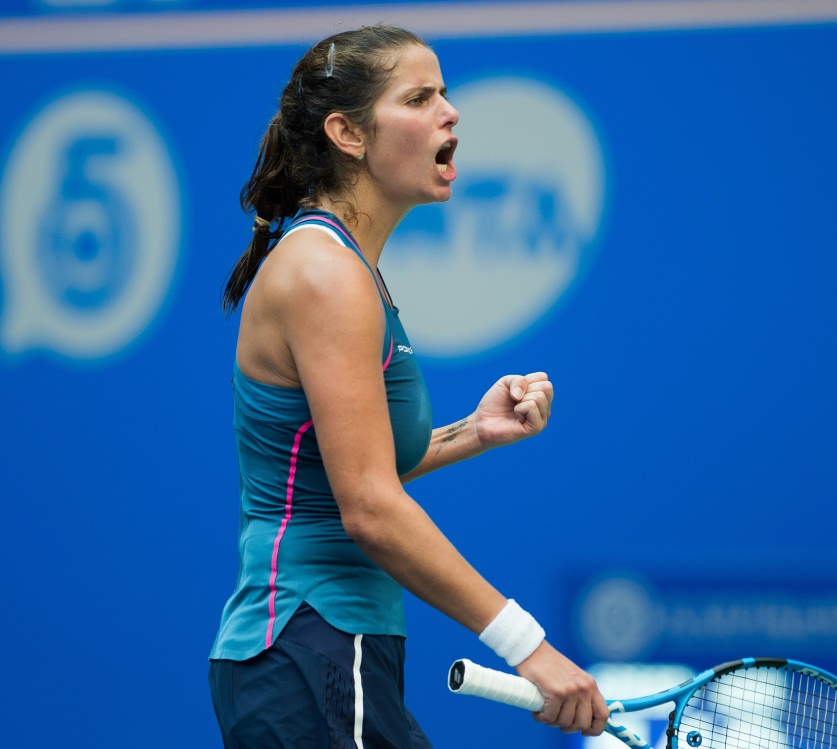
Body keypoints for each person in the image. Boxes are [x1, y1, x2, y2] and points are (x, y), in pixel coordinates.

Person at [208, 25, 608, 748]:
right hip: (311, 642)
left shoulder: (343, 266)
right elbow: (366, 506)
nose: (450, 113)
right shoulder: (327, 274)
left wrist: (471, 432)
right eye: (420, 98)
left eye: (446, 95)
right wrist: (530, 647)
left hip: (318, 651)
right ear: (347, 133)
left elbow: (335, 469)